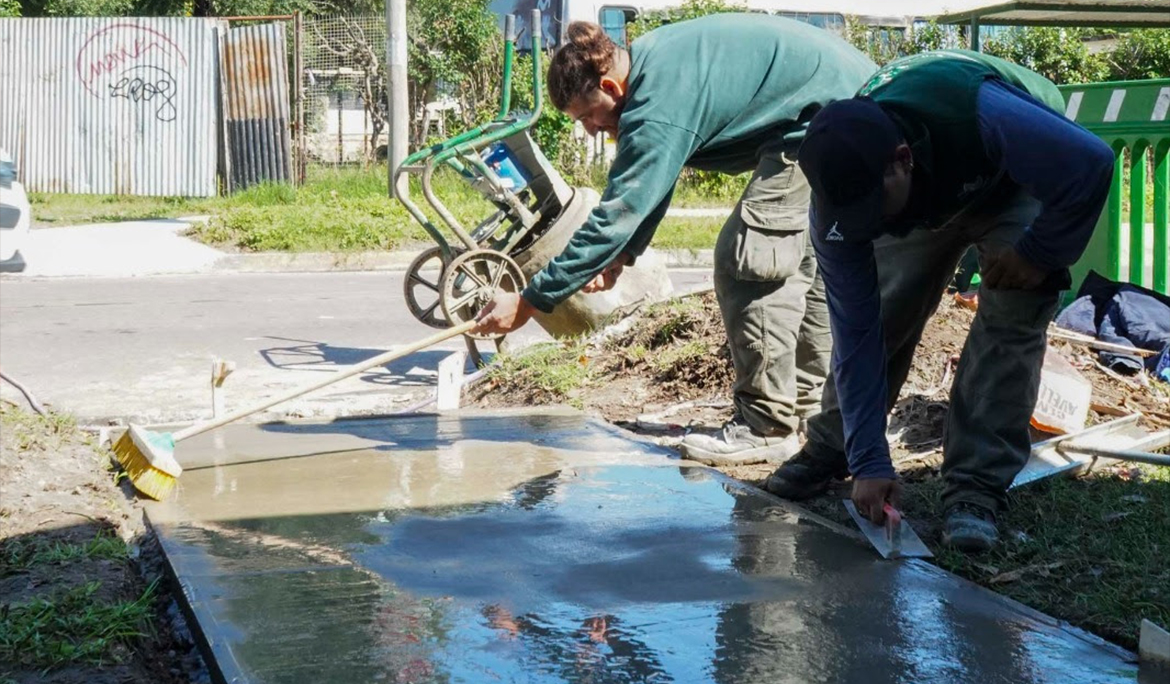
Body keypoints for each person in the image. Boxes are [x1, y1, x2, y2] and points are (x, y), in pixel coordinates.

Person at [473, 14, 876, 466]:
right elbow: (654, 182)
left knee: (749, 261)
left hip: (826, 118)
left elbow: (617, 213)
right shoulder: (652, 67)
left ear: (610, 87)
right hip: (844, 106)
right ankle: (805, 411)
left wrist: (529, 301)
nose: (590, 129)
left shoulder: (655, 101)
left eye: (587, 116)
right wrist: (623, 254)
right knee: (808, 263)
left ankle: (766, 427)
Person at [763, 49, 1114, 552]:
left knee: (1013, 312)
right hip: (923, 193)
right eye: (854, 215)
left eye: (873, 208)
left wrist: (1038, 253)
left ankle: (975, 488)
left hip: (1008, 175)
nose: (869, 224)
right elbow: (857, 333)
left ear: (902, 159)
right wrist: (870, 459)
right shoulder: (840, 204)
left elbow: (1090, 163)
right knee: (886, 307)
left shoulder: (988, 114)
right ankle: (836, 445)